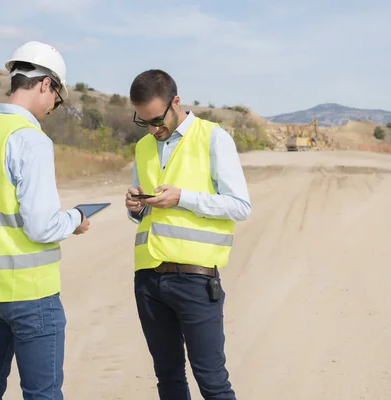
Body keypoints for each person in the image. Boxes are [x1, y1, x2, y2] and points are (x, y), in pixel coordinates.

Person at [0, 41, 90, 399]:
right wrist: (75, 217)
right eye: (56, 98)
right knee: (42, 394)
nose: (52, 107)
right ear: (46, 84)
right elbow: (41, 225)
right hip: (31, 292)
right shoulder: (30, 140)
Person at [125, 69, 251, 400]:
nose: (153, 129)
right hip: (149, 281)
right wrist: (136, 207)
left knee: (211, 381)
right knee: (168, 378)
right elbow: (149, 210)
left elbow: (240, 206)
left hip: (195, 281)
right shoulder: (144, 147)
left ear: (176, 102)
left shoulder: (213, 138)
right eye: (144, 122)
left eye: (156, 119)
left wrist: (183, 197)